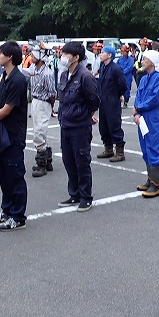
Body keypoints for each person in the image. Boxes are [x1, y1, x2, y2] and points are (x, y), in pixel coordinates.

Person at [0, 41, 29, 229]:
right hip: (1, 132)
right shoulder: (1, 77)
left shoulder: (18, 79)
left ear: (10, 56)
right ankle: (7, 210)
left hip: (13, 134)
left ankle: (18, 216)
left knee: (15, 175)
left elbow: (7, 109)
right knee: (4, 174)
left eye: (1, 53)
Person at [56, 41, 100, 212]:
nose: (62, 57)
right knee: (68, 161)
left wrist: (87, 114)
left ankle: (85, 197)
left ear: (76, 57)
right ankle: (74, 194)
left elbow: (94, 100)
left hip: (80, 126)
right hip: (65, 124)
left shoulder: (85, 76)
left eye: (66, 54)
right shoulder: (64, 75)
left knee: (82, 162)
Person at [133, 50, 159, 197]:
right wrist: (137, 112)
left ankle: (156, 185)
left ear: (153, 62)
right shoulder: (144, 78)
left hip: (153, 116)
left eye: (145, 59)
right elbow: (139, 96)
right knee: (145, 148)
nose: (142, 61)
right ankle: (150, 179)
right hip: (142, 116)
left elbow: (155, 99)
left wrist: (139, 108)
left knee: (154, 147)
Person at [28, 45, 56, 177]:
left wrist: (51, 107)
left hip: (43, 102)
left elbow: (52, 93)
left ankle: (42, 164)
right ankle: (48, 161)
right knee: (40, 131)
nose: (31, 57)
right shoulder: (34, 69)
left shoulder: (47, 73)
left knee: (39, 132)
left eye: (34, 55)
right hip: (35, 101)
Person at [95, 46, 128, 163]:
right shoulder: (103, 67)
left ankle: (119, 152)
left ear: (110, 55)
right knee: (103, 126)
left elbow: (123, 84)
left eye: (103, 52)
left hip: (112, 101)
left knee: (114, 125)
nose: (100, 54)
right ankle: (108, 148)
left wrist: (117, 94)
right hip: (103, 101)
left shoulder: (116, 68)